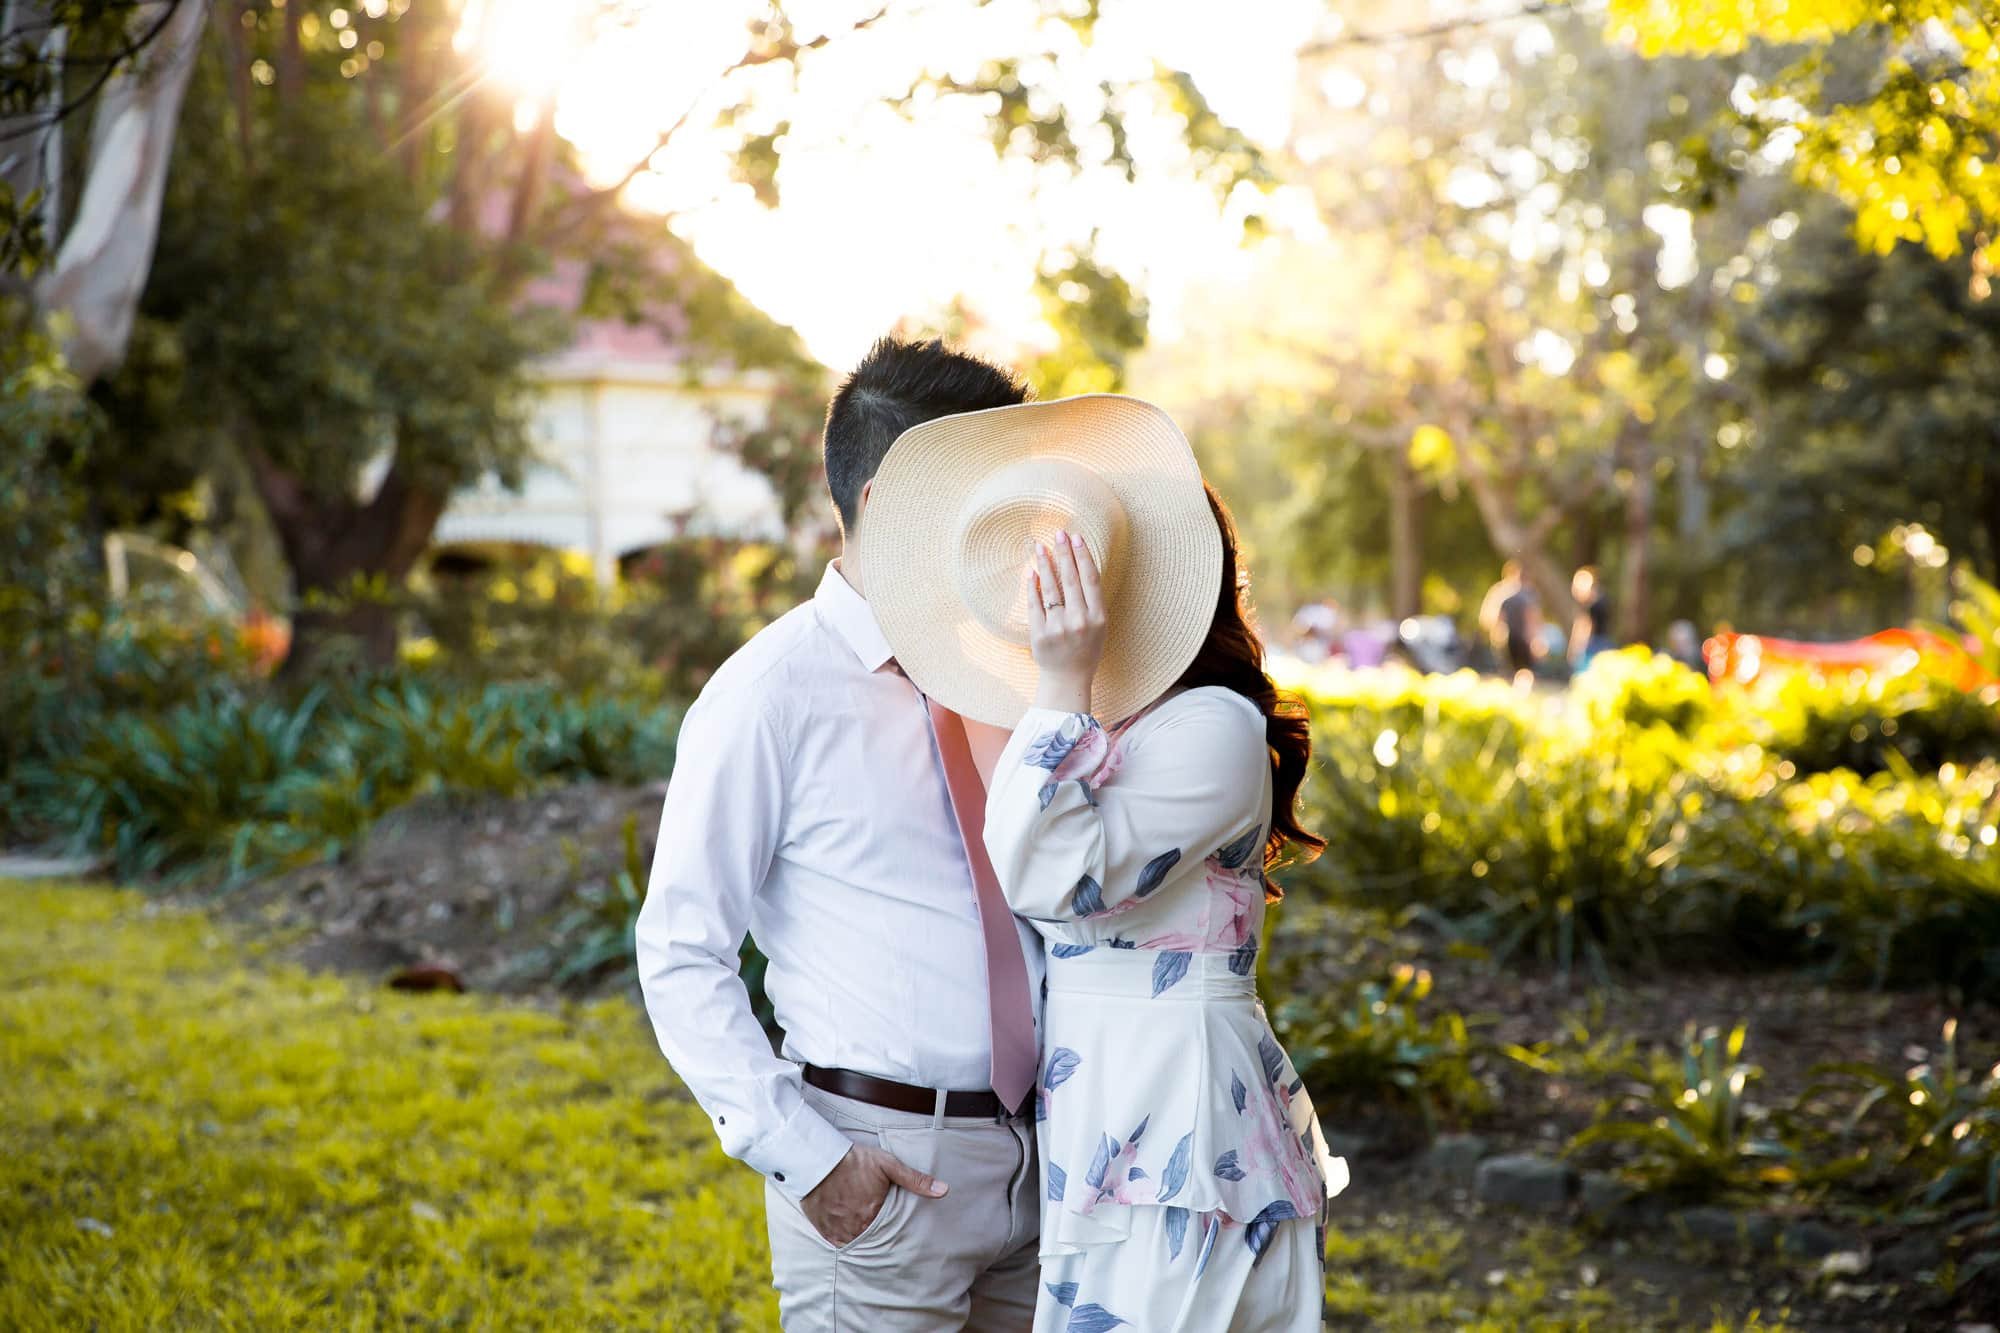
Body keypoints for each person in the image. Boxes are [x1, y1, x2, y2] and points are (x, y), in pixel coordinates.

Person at [856, 395, 1347, 1332]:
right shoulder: (1098, 727)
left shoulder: (1213, 727)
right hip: (1110, 1114)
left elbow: (1049, 881)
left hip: (1179, 1121)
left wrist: (1059, 680)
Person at [634, 336, 1044, 1332]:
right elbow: (678, 948)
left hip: (1045, 1170)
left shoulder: (1011, 672)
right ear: (885, 506)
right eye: (978, 497)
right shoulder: (769, 694)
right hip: (881, 1172)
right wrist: (810, 1158)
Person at [1478, 560, 1541, 682]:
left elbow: (1488, 618)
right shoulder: (1527, 594)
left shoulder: (1499, 592)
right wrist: (1535, 640)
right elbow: (1532, 618)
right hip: (1520, 639)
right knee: (1524, 673)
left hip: (1505, 639)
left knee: (1507, 674)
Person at [1568, 566, 1616, 670]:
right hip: (1599, 645)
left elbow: (1584, 629)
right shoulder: (1596, 602)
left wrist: (1576, 648)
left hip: (1594, 646)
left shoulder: (1592, 605)